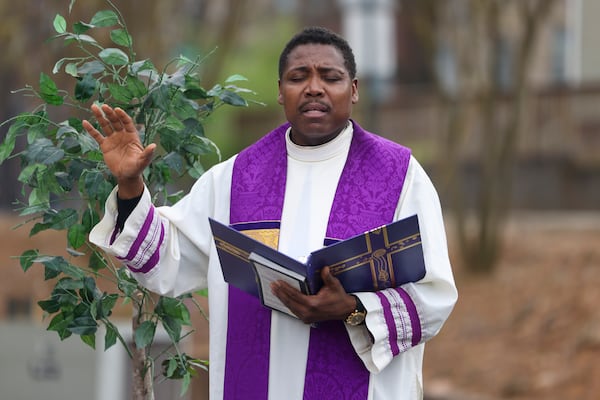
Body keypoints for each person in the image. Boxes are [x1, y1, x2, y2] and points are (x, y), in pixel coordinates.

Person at [84, 26, 457, 400]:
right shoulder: (232, 180)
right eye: (299, 77)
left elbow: (435, 294)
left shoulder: (400, 177)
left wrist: (354, 309)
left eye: (330, 77)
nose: (314, 87)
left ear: (354, 89)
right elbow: (167, 259)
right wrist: (131, 185)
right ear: (280, 91)